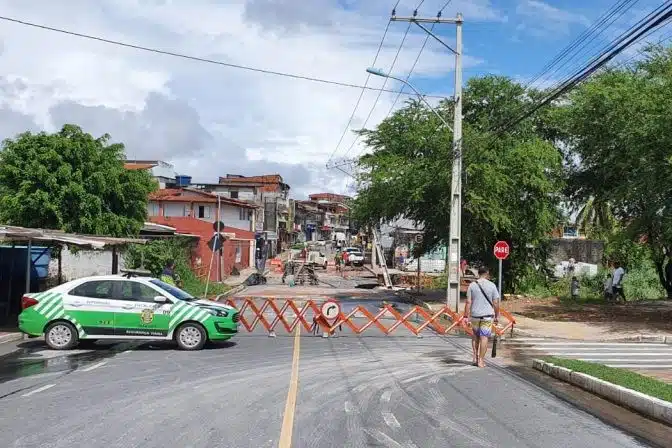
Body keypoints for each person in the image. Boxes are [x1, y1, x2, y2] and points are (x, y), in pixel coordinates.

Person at [463, 266, 500, 368]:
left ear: (478, 274)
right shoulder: (492, 285)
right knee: (484, 337)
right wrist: (497, 315)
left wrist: (465, 316)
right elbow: (496, 303)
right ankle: (481, 361)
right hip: (487, 316)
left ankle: (475, 357)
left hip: (475, 316)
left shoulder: (472, 285)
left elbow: (468, 302)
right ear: (487, 273)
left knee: (475, 335)